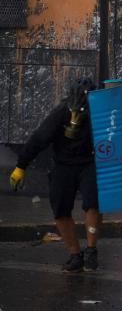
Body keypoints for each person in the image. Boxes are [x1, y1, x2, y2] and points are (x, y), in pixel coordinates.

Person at [9, 77, 102, 272]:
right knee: (60, 210)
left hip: (88, 163)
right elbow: (39, 138)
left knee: (92, 203)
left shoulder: (97, 114)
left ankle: (91, 251)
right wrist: (21, 165)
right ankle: (75, 255)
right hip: (63, 165)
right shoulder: (61, 113)